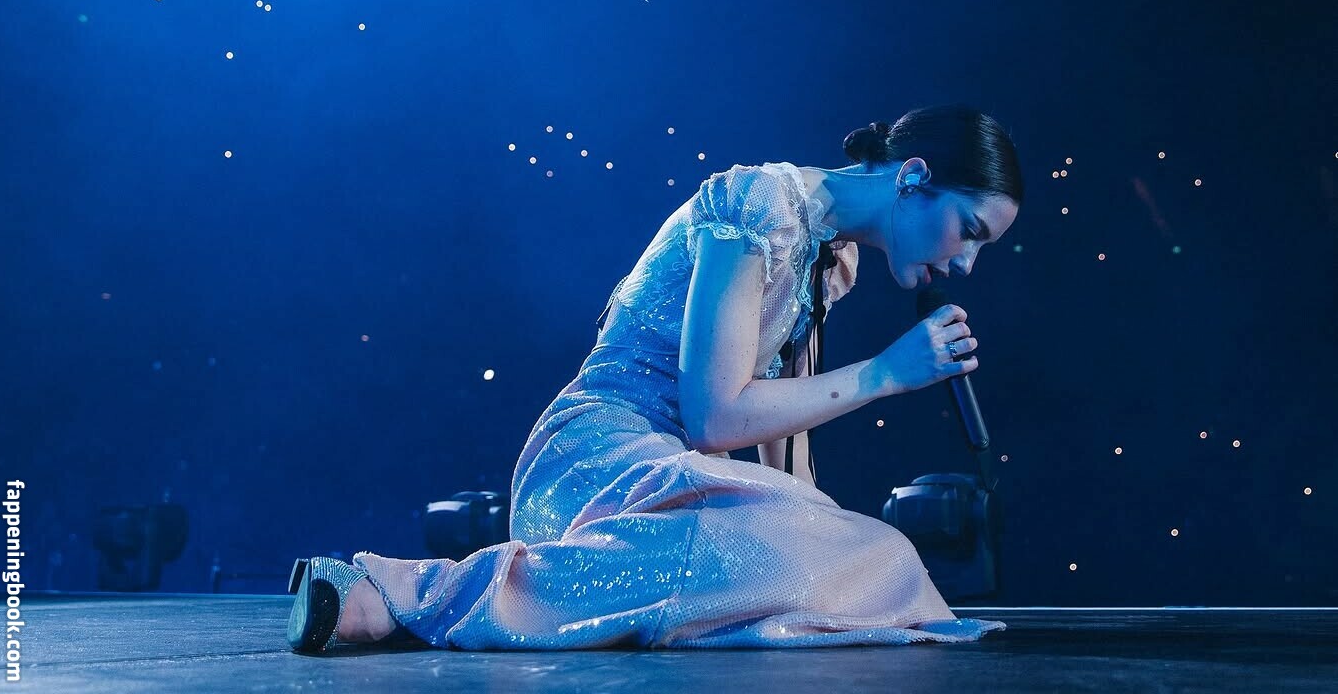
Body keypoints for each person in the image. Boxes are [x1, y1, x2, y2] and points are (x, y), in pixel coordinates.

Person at [287, 104, 1023, 652]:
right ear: (913, 176)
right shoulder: (760, 204)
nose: (965, 263)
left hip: (686, 485)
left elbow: (783, 452)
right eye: (970, 232)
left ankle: (616, 595)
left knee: (876, 556)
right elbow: (717, 419)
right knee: (813, 557)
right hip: (603, 458)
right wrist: (887, 374)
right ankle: (402, 593)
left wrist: (810, 527)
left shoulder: (835, 260)